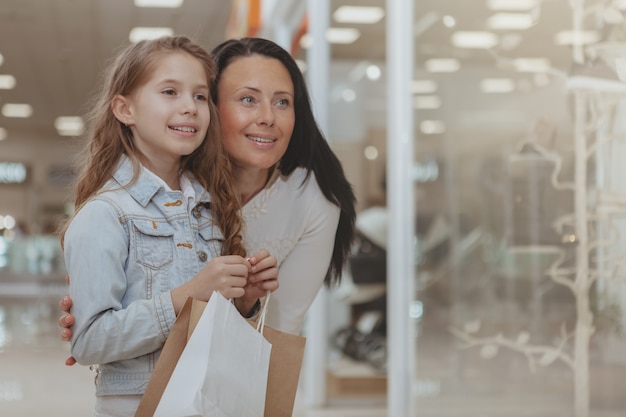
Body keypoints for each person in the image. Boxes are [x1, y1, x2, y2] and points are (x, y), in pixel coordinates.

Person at [60, 36, 356, 356]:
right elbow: (98, 331)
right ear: (214, 109)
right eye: (247, 99)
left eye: (283, 101)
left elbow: (279, 329)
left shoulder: (312, 200)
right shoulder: (171, 194)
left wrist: (246, 301)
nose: (268, 117)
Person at [61, 35, 278, 416]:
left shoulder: (211, 209)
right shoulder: (106, 214)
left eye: (199, 96)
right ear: (124, 109)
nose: (189, 108)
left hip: (209, 400)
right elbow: (89, 342)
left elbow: (212, 323)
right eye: (169, 92)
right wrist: (188, 296)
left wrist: (244, 299)